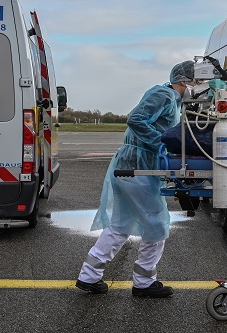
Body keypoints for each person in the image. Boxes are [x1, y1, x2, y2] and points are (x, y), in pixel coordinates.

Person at [76, 61, 196, 298]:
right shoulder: (164, 94)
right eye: (198, 81)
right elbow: (136, 119)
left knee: (119, 225)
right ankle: (144, 282)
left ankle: (89, 276)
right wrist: (163, 143)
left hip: (129, 169)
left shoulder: (171, 99)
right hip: (137, 170)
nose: (199, 87)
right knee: (157, 224)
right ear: (184, 81)